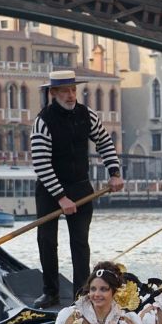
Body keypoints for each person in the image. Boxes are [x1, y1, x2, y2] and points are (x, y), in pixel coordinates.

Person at [30, 69, 125, 309]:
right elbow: (41, 164)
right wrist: (61, 197)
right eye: (65, 91)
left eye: (73, 90)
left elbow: (104, 141)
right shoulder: (43, 121)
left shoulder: (87, 115)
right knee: (47, 241)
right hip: (49, 189)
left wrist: (114, 173)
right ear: (54, 93)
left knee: (80, 242)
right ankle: (50, 291)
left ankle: (81, 294)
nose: (71, 95)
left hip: (81, 186)